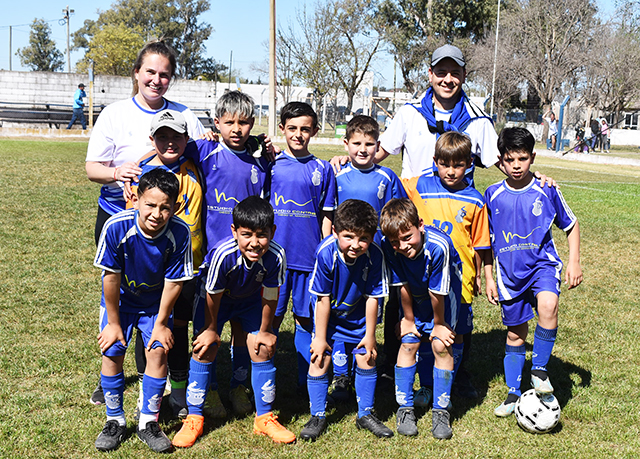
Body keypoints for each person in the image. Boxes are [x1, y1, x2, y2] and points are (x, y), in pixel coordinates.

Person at [86, 40, 206, 406]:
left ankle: (159, 372)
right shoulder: (115, 113)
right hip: (118, 219)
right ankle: (115, 370)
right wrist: (115, 172)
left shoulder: (186, 115)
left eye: (164, 74)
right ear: (137, 73)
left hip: (172, 224)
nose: (156, 80)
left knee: (162, 300)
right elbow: (92, 169)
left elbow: (209, 155)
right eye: (150, 72)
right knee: (122, 294)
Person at [179, 90, 275, 419]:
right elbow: (169, 150)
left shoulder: (261, 158)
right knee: (207, 329)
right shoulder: (204, 149)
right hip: (211, 262)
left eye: (244, 122)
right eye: (229, 122)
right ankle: (210, 393)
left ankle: (237, 384)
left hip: (250, 261)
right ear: (216, 122)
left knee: (242, 330)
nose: (237, 128)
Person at [172, 196, 296, 447]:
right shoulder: (223, 254)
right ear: (234, 232)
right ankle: (195, 415)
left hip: (250, 299)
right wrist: (209, 329)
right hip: (215, 300)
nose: (254, 242)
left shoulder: (277, 255)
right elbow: (212, 295)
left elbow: (271, 294)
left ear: (273, 231)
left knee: (261, 348)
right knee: (205, 347)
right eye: (246, 234)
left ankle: (263, 416)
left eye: (262, 234)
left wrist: (265, 330)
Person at [484, 127, 582, 417]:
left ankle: (539, 370)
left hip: (542, 265)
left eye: (523, 159)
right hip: (509, 274)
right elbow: (485, 241)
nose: (516, 165)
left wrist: (574, 262)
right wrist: (488, 276)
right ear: (500, 160)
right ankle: (514, 393)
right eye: (510, 159)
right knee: (515, 334)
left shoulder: (546, 189)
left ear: (532, 157)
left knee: (549, 305)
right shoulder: (492, 195)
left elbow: (572, 225)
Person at [93, 168, 193, 453]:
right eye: (150, 204)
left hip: (155, 304)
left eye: (165, 207)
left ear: (175, 206)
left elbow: (174, 282)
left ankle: (148, 422)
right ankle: (115, 420)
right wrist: (113, 324)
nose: (156, 213)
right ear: (136, 200)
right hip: (120, 303)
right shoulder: (116, 226)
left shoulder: (179, 232)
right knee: (112, 350)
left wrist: (162, 323)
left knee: (159, 350)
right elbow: (110, 278)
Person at [402, 131, 494, 408]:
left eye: (458, 165)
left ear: (469, 164)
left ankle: (450, 380)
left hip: (460, 278)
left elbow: (480, 244)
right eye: (445, 164)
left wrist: (480, 275)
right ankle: (428, 386)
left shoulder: (476, 200)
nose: (451, 171)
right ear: (435, 161)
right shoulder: (419, 186)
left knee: (458, 331)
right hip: (425, 279)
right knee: (431, 328)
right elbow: (383, 177)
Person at [126, 109, 204, 419]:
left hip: (189, 267)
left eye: (176, 136)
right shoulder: (141, 174)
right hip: (151, 271)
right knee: (148, 332)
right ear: (152, 138)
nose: (169, 142)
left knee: (179, 329)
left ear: (188, 139)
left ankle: (179, 393)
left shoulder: (195, 162)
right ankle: (148, 395)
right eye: (162, 136)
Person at [299, 199, 393, 441]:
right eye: (349, 236)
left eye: (363, 238)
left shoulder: (375, 255)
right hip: (328, 316)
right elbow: (322, 299)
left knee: (366, 356)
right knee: (319, 358)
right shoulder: (326, 252)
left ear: (373, 236)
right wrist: (320, 338)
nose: (356, 244)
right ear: (335, 231)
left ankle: (365, 414)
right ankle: (317, 415)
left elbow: (374, 297)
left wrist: (370, 337)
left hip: (359, 315)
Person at [332, 115, 406, 401]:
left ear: (378, 145)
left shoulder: (387, 177)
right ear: (346, 143)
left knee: (372, 306)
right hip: (344, 255)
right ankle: (341, 373)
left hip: (375, 257)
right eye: (357, 143)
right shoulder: (336, 174)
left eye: (370, 144)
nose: (363, 150)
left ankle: (372, 357)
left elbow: (395, 216)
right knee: (342, 305)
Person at [379, 198, 462, 440]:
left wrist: (438, 325)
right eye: (395, 242)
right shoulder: (389, 245)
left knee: (440, 345)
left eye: (407, 238)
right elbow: (402, 283)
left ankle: (441, 410)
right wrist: (408, 318)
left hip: (444, 298)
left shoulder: (438, 246)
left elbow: (438, 291)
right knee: (408, 341)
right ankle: (404, 409)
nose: (402, 246)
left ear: (420, 225)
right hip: (413, 295)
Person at [269, 102, 337, 395]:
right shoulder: (270, 166)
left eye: (305, 129)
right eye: (292, 128)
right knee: (268, 317)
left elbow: (327, 216)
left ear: (314, 131)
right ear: (282, 129)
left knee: (305, 319)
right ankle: (259, 376)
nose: (298, 135)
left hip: (307, 261)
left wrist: (323, 252)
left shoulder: (323, 169)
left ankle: (305, 378)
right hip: (273, 261)